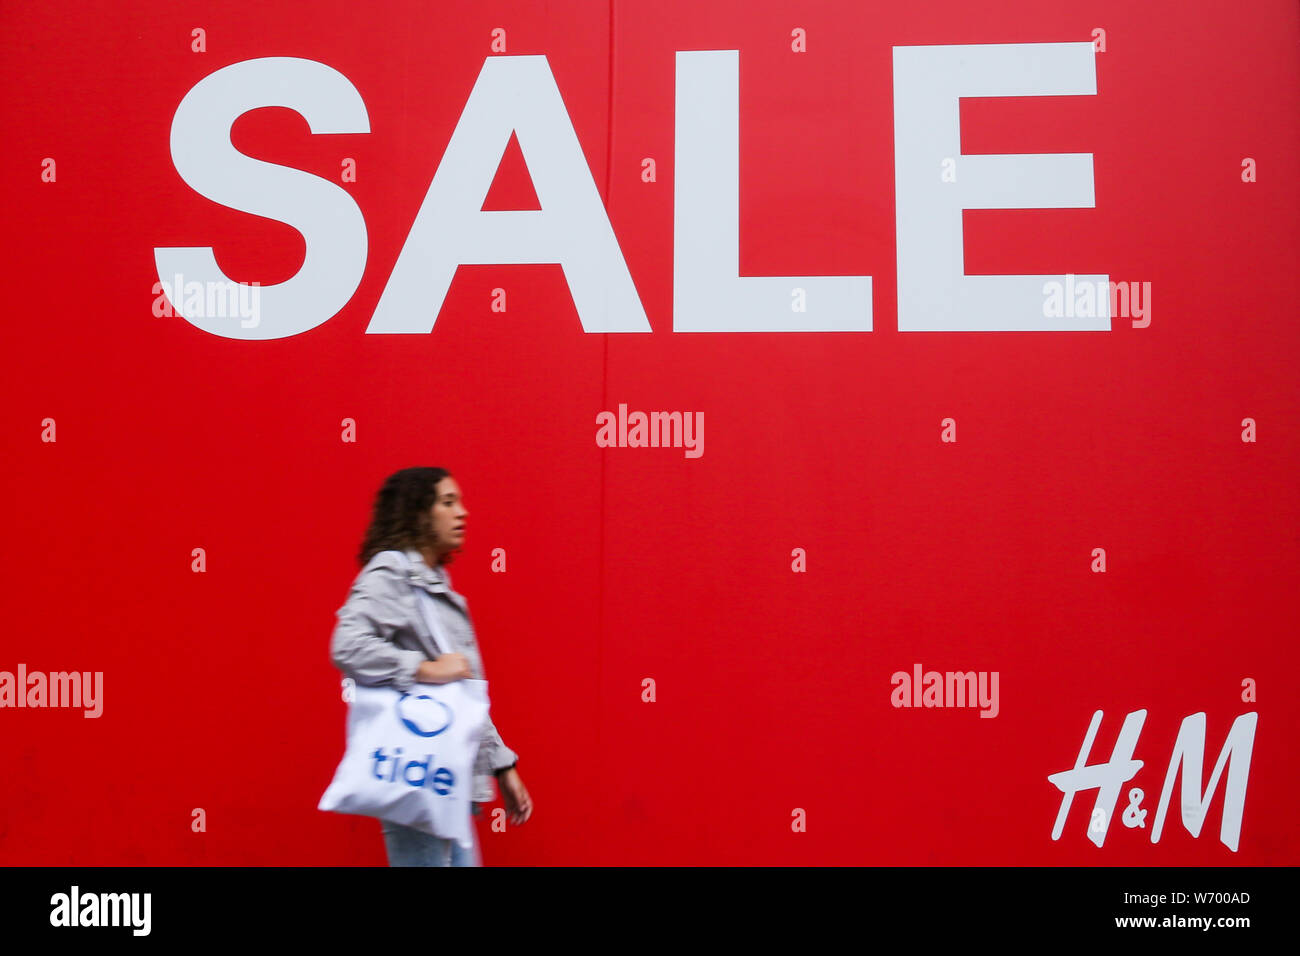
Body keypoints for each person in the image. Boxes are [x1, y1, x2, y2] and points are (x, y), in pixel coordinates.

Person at [330, 466, 533, 865]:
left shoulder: (431, 583)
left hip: (442, 780)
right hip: (417, 780)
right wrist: (423, 668)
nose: (463, 513)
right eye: (448, 502)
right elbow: (347, 644)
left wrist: (501, 764)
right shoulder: (392, 573)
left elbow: (463, 692)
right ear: (419, 513)